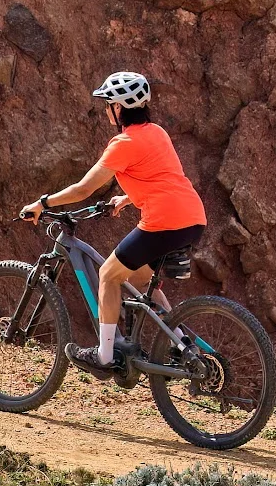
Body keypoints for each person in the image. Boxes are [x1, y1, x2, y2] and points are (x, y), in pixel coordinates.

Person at [19, 70, 206, 373]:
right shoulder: (157, 132)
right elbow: (164, 178)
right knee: (139, 281)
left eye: (107, 103)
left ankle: (105, 356)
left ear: (118, 108)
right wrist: (126, 198)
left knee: (108, 275)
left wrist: (42, 204)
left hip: (164, 223)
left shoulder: (124, 142)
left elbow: (84, 188)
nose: (106, 109)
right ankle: (181, 345)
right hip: (193, 220)